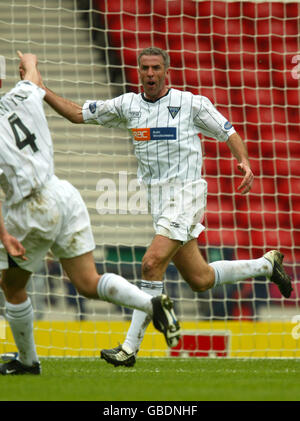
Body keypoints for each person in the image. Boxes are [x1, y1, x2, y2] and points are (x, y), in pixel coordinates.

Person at [40, 46, 292, 367]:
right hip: (159, 203)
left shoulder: (190, 104)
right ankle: (267, 266)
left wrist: (243, 160)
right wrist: (42, 90)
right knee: (199, 279)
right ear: (139, 71)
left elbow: (228, 130)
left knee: (150, 264)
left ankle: (129, 348)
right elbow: (77, 114)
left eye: (156, 68)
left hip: (186, 196)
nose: (149, 74)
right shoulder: (127, 105)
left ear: (166, 71)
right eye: (144, 68)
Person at [0, 52, 181, 375]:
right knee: (87, 282)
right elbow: (31, 76)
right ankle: (150, 302)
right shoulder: (23, 93)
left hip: (30, 207)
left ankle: (28, 361)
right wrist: (29, 61)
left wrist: (4, 235)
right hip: (64, 194)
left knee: (12, 286)